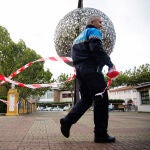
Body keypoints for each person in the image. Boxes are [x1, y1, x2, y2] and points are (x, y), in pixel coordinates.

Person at [60, 15, 116, 143]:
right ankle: (101, 134)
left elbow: (75, 56)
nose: (101, 25)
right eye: (100, 22)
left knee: (86, 99)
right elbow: (96, 49)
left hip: (80, 71)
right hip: (91, 70)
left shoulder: (77, 38)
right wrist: (109, 63)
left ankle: (67, 122)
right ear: (92, 22)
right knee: (101, 99)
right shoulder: (94, 31)